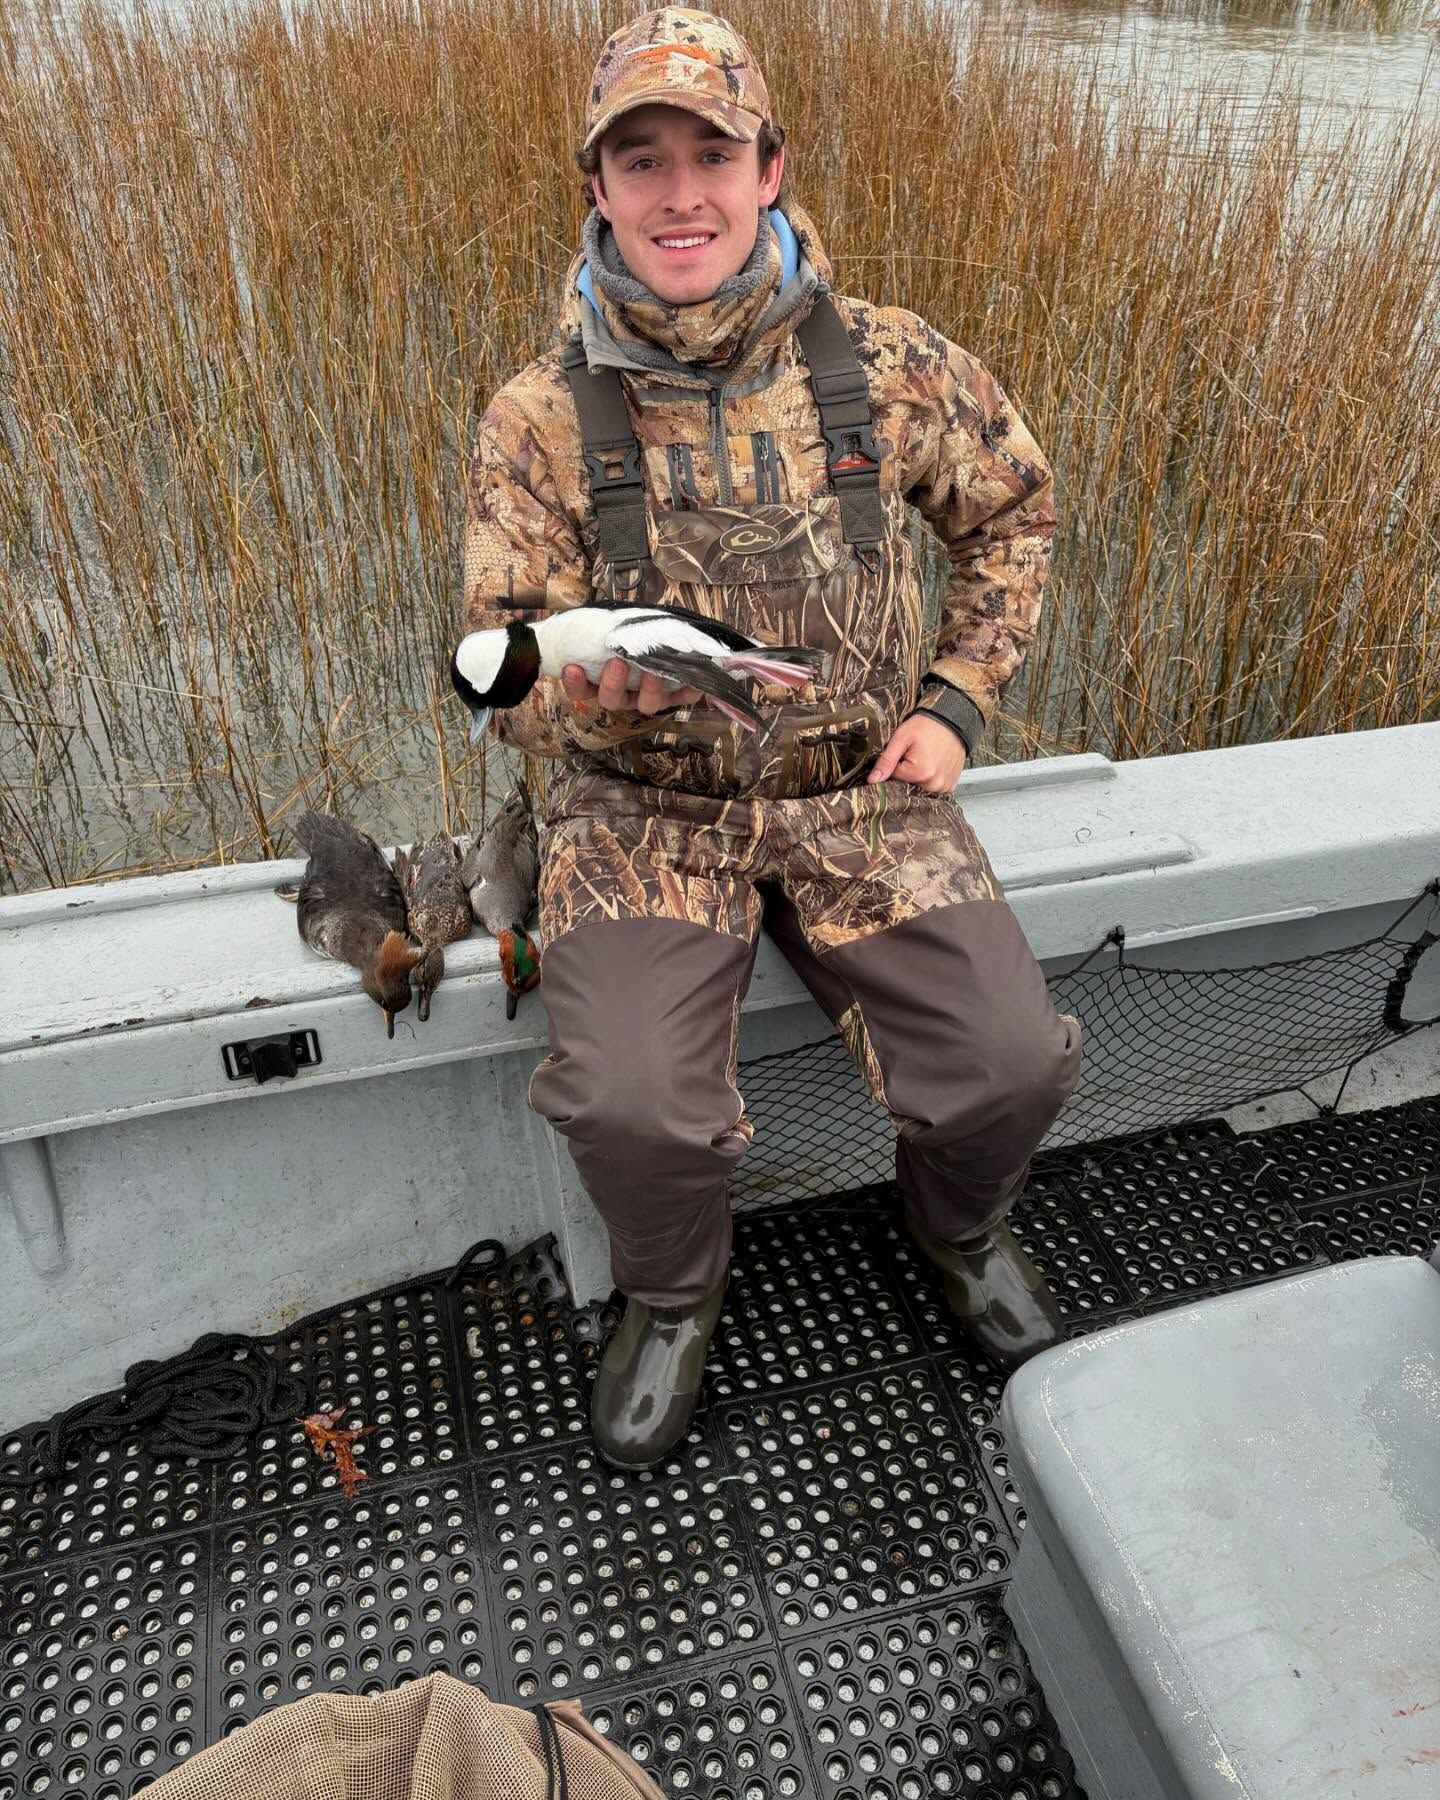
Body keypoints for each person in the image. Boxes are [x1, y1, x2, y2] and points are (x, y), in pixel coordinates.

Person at [462, 6, 1081, 1468]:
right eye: (642, 161)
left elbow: (1015, 513)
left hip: (861, 790)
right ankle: (674, 1295)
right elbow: (497, 657)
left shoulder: (886, 360)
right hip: (641, 813)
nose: (681, 194)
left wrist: (955, 702)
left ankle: (957, 1227)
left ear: (771, 169)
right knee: (629, 1107)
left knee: (1013, 1063)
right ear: (598, 188)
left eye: (713, 156)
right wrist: (588, 693)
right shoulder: (540, 414)